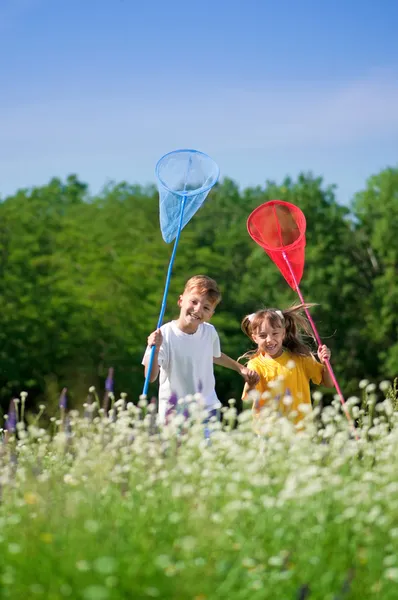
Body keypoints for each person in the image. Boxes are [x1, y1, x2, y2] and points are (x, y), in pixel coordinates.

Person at [142, 275, 259, 423]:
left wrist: (240, 368)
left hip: (207, 408)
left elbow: (214, 355)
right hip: (174, 411)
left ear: (211, 314)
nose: (198, 310)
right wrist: (156, 348)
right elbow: (150, 377)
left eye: (206, 308)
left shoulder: (209, 332)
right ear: (180, 301)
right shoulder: (163, 335)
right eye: (194, 302)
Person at [240, 304, 334, 428]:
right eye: (263, 336)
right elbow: (248, 398)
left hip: (300, 430)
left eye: (275, 333)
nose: (269, 339)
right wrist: (250, 384)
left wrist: (325, 364)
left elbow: (328, 383)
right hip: (269, 431)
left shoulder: (300, 359)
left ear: (283, 333)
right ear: (254, 338)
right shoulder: (255, 364)